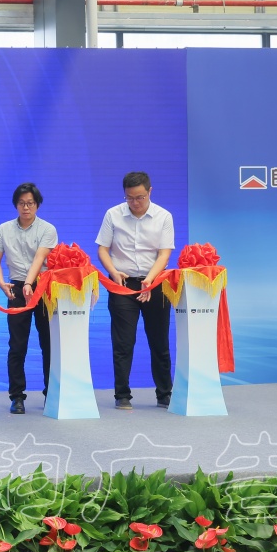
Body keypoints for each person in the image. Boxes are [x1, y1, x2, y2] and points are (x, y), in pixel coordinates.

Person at [96, 171, 175, 410]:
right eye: (129, 198)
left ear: (150, 191)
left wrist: (150, 280)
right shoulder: (113, 214)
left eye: (140, 197)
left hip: (155, 283)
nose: (135, 202)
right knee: (123, 343)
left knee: (159, 341)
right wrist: (113, 271)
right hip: (123, 284)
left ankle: (164, 393)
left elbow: (164, 254)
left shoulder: (163, 216)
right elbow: (102, 249)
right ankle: (122, 395)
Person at [0, 183, 58, 415]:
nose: (26, 207)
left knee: (49, 343)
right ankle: (17, 396)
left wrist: (30, 283)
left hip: (43, 288)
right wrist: (2, 283)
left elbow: (39, 259)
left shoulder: (47, 229)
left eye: (30, 203)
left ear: (37, 204)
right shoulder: (4, 229)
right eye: (21, 203)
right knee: (17, 345)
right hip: (16, 289)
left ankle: (52, 394)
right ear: (16, 205)